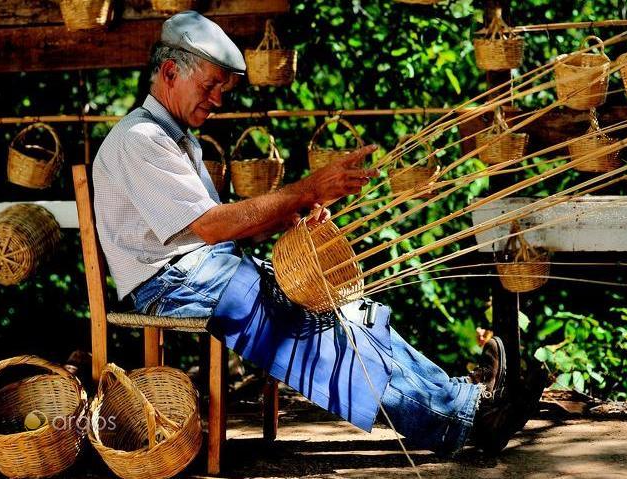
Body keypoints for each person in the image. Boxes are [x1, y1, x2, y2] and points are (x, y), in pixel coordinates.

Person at [93, 11, 541, 457]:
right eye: (210, 85)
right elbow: (212, 228)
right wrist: (305, 188)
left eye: (221, 89)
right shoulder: (140, 137)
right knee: (310, 327)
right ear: (170, 72)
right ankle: (463, 425)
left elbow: (216, 228)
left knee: (344, 306)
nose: (217, 99)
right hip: (170, 287)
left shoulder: (176, 139)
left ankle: (462, 402)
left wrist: (292, 214)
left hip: (207, 273)